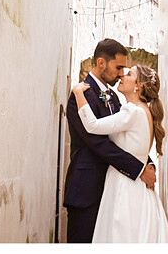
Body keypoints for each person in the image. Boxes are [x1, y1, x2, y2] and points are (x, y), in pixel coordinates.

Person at [63, 39, 156, 243]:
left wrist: (147, 162)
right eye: (119, 67)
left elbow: (123, 137)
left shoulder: (114, 97)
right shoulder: (79, 98)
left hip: (112, 191)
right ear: (101, 63)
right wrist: (139, 169)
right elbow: (98, 144)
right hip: (86, 190)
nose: (121, 73)